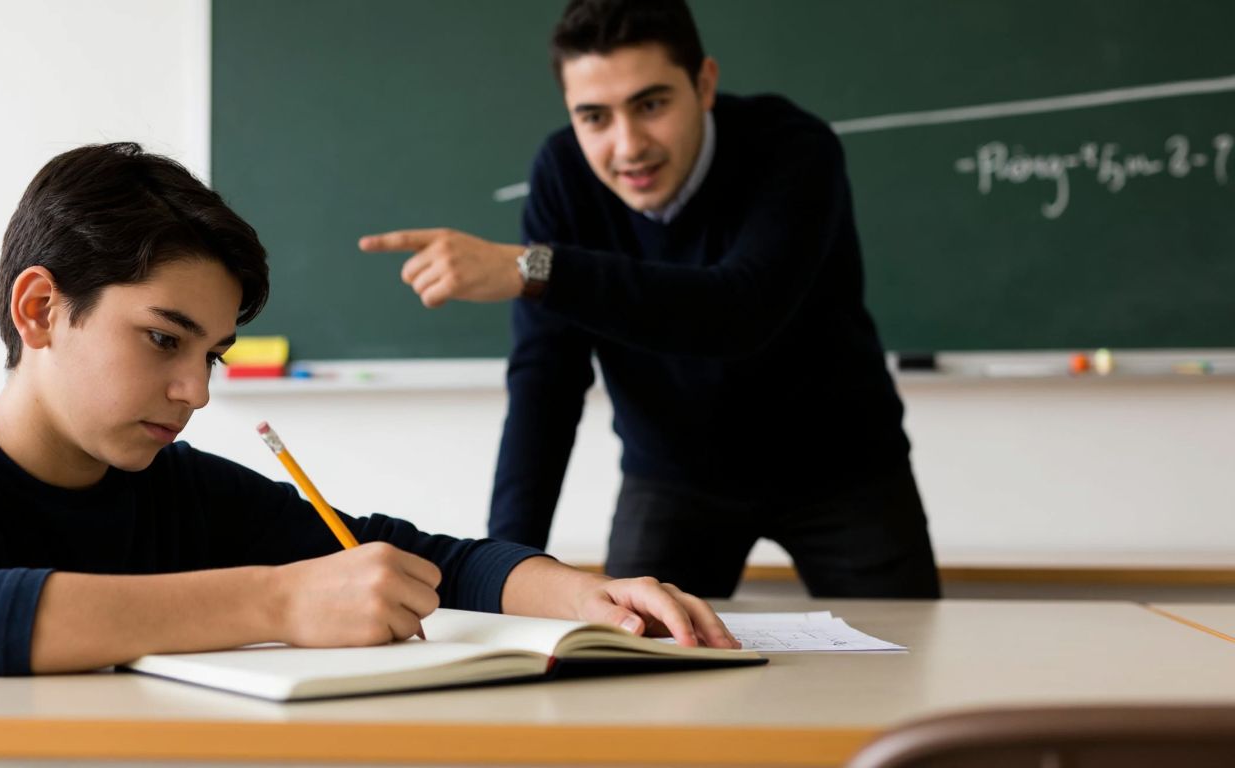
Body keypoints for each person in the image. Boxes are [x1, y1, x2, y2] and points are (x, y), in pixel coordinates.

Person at [0, 142, 739, 768]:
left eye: (211, 355)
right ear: (39, 311)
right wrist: (275, 597)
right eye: (162, 339)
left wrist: (582, 595)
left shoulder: (179, 492)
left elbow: (417, 559)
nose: (198, 390)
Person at [358, 0, 941, 600]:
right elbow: (546, 381)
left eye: (651, 105)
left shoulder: (793, 148)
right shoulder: (562, 177)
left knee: (909, 654)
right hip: (673, 476)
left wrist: (529, 267)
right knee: (637, 663)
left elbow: (740, 310)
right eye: (594, 117)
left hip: (842, 468)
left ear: (704, 83)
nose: (628, 145)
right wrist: (504, 568)